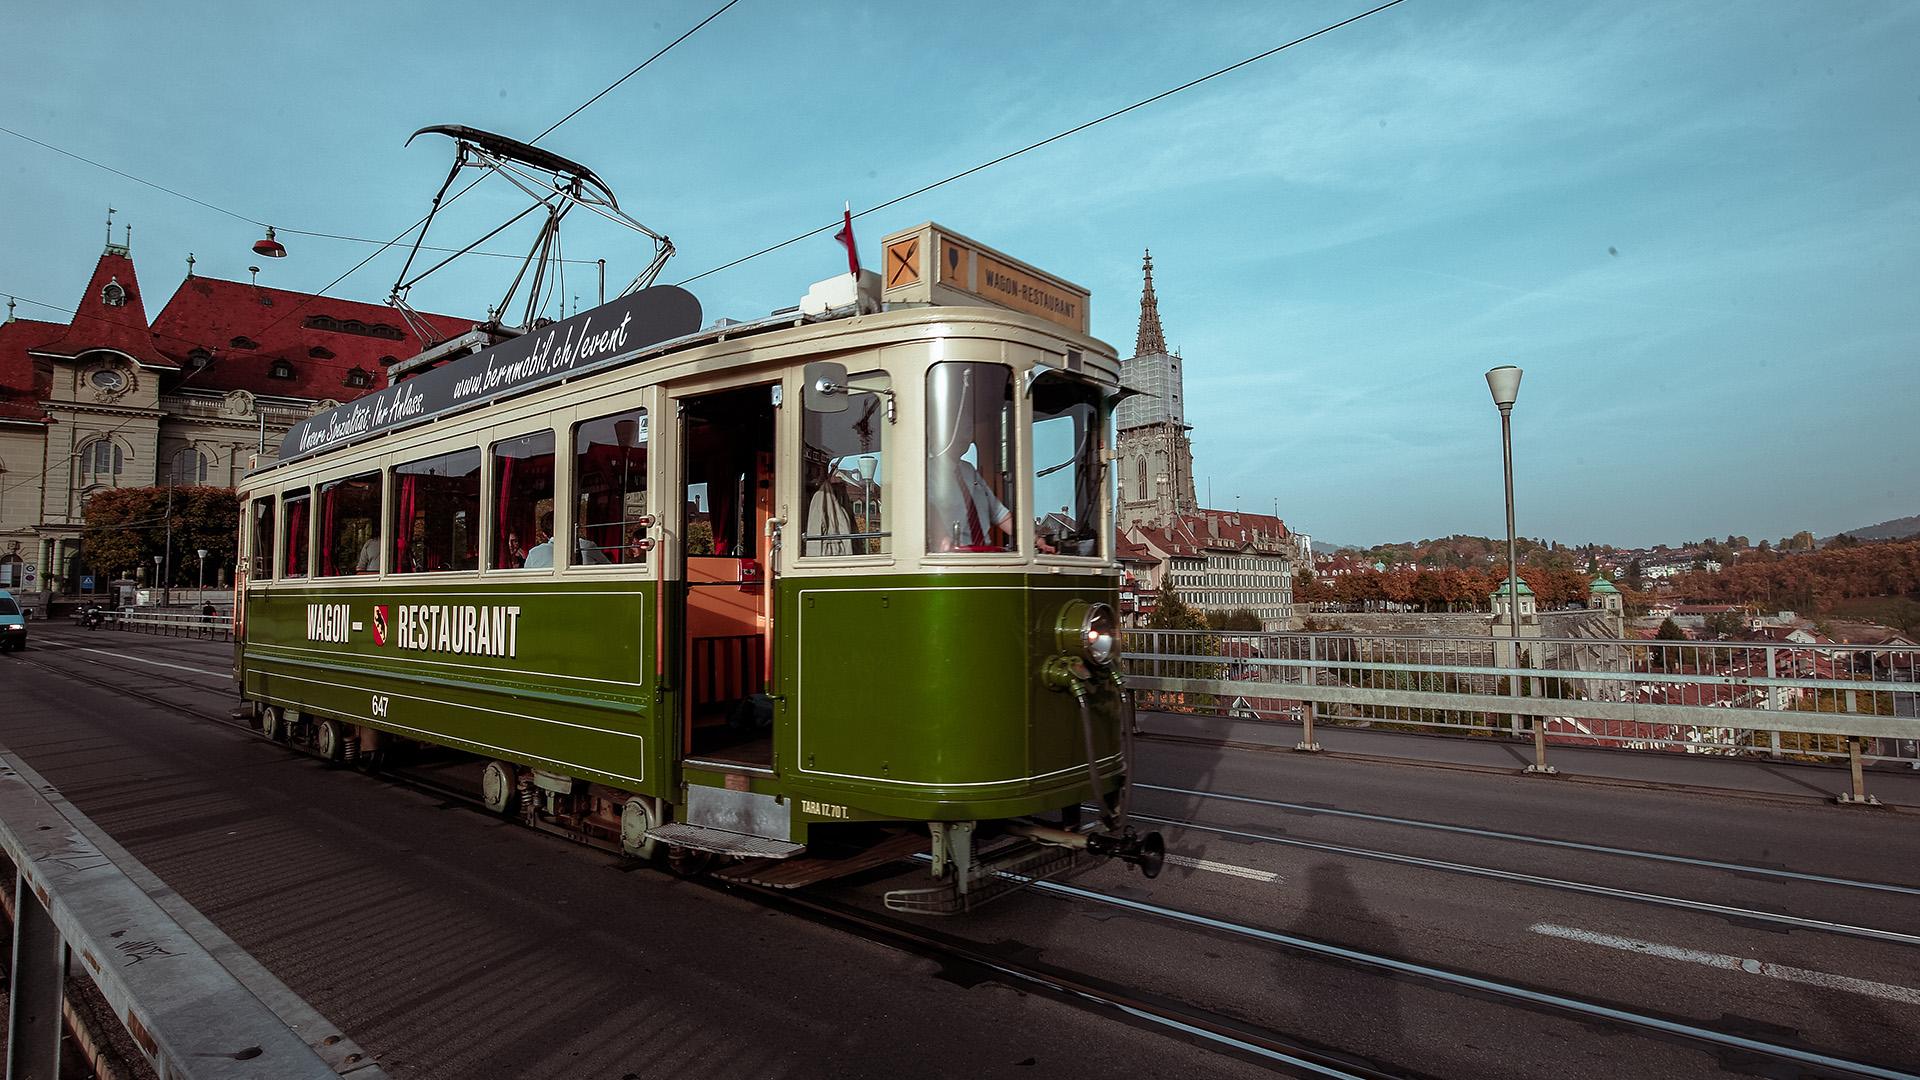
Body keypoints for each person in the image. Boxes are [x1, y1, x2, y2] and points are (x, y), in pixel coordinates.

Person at [927, 453, 1012, 552]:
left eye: (968, 436)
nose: (964, 438)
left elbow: (1000, 515)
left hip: (984, 554)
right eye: (958, 436)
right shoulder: (927, 469)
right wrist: (942, 537)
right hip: (952, 556)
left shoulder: (968, 469)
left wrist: (1032, 538)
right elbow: (927, 509)